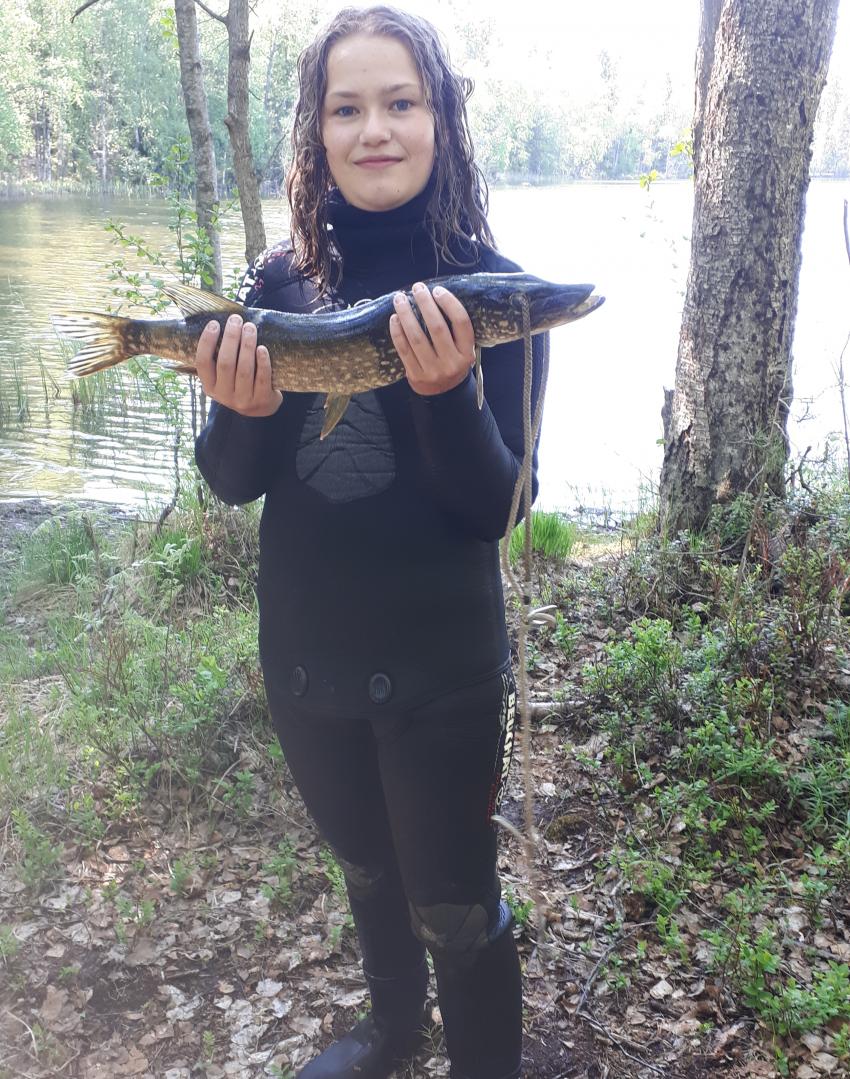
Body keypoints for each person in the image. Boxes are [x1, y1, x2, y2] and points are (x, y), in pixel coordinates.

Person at [194, 7, 546, 1078]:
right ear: (317, 131)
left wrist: (448, 395)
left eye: (402, 101)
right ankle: (394, 1029)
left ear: (441, 120)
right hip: (307, 659)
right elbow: (230, 480)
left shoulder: (496, 291)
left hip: (444, 672)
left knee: (455, 904)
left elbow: (498, 506)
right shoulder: (277, 286)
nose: (375, 128)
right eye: (347, 108)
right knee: (365, 868)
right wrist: (242, 408)